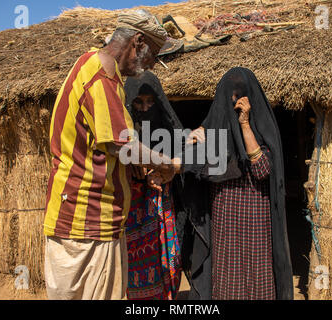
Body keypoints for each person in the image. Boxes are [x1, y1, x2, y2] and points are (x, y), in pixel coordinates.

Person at [43, 11, 181, 300]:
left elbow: (105, 146)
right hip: (89, 222)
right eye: (153, 54)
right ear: (138, 42)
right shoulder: (102, 73)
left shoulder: (92, 66)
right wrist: (167, 164)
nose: (153, 63)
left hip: (85, 223)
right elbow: (123, 147)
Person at [182, 67, 294, 300]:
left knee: (258, 274)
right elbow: (191, 165)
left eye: (241, 94)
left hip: (256, 219)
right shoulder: (212, 128)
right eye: (231, 96)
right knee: (227, 278)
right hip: (225, 220)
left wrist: (244, 125)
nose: (236, 101)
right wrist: (189, 142)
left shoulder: (262, 128)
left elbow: (262, 170)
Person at [123, 71, 184, 300]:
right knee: (138, 267)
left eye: (151, 102)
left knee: (168, 261)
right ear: (130, 102)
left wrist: (163, 168)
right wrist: (134, 167)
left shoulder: (168, 133)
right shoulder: (122, 137)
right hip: (132, 211)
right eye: (139, 102)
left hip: (163, 206)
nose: (146, 109)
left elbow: (180, 154)